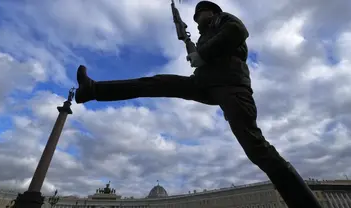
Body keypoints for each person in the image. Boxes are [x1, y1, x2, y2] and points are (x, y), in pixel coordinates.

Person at [75, 1, 321, 207]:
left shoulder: (223, 20)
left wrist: (201, 54)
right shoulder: (204, 36)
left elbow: (238, 30)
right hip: (204, 84)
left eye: (199, 13)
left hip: (231, 86)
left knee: (258, 150)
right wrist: (192, 46)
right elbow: (200, 59)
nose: (196, 18)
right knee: (155, 82)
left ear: (212, 12)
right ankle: (93, 90)